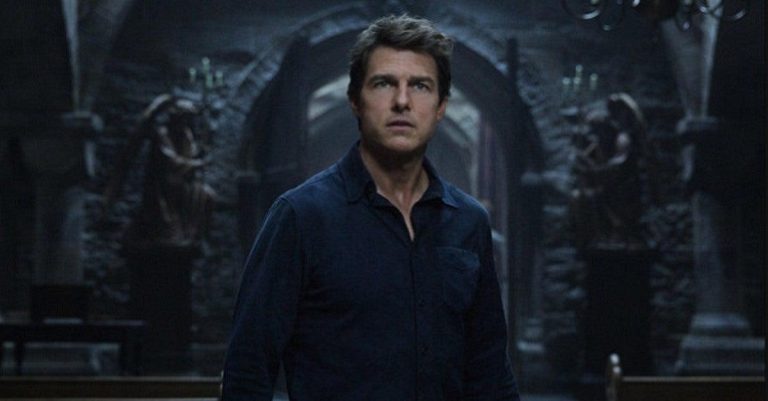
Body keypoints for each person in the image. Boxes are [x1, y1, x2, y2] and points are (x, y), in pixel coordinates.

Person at [222, 15, 520, 401]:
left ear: (441, 106)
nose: (402, 101)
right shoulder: (301, 216)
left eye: (420, 86)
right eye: (384, 83)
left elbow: (490, 370)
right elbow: (247, 369)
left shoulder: (468, 220)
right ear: (355, 101)